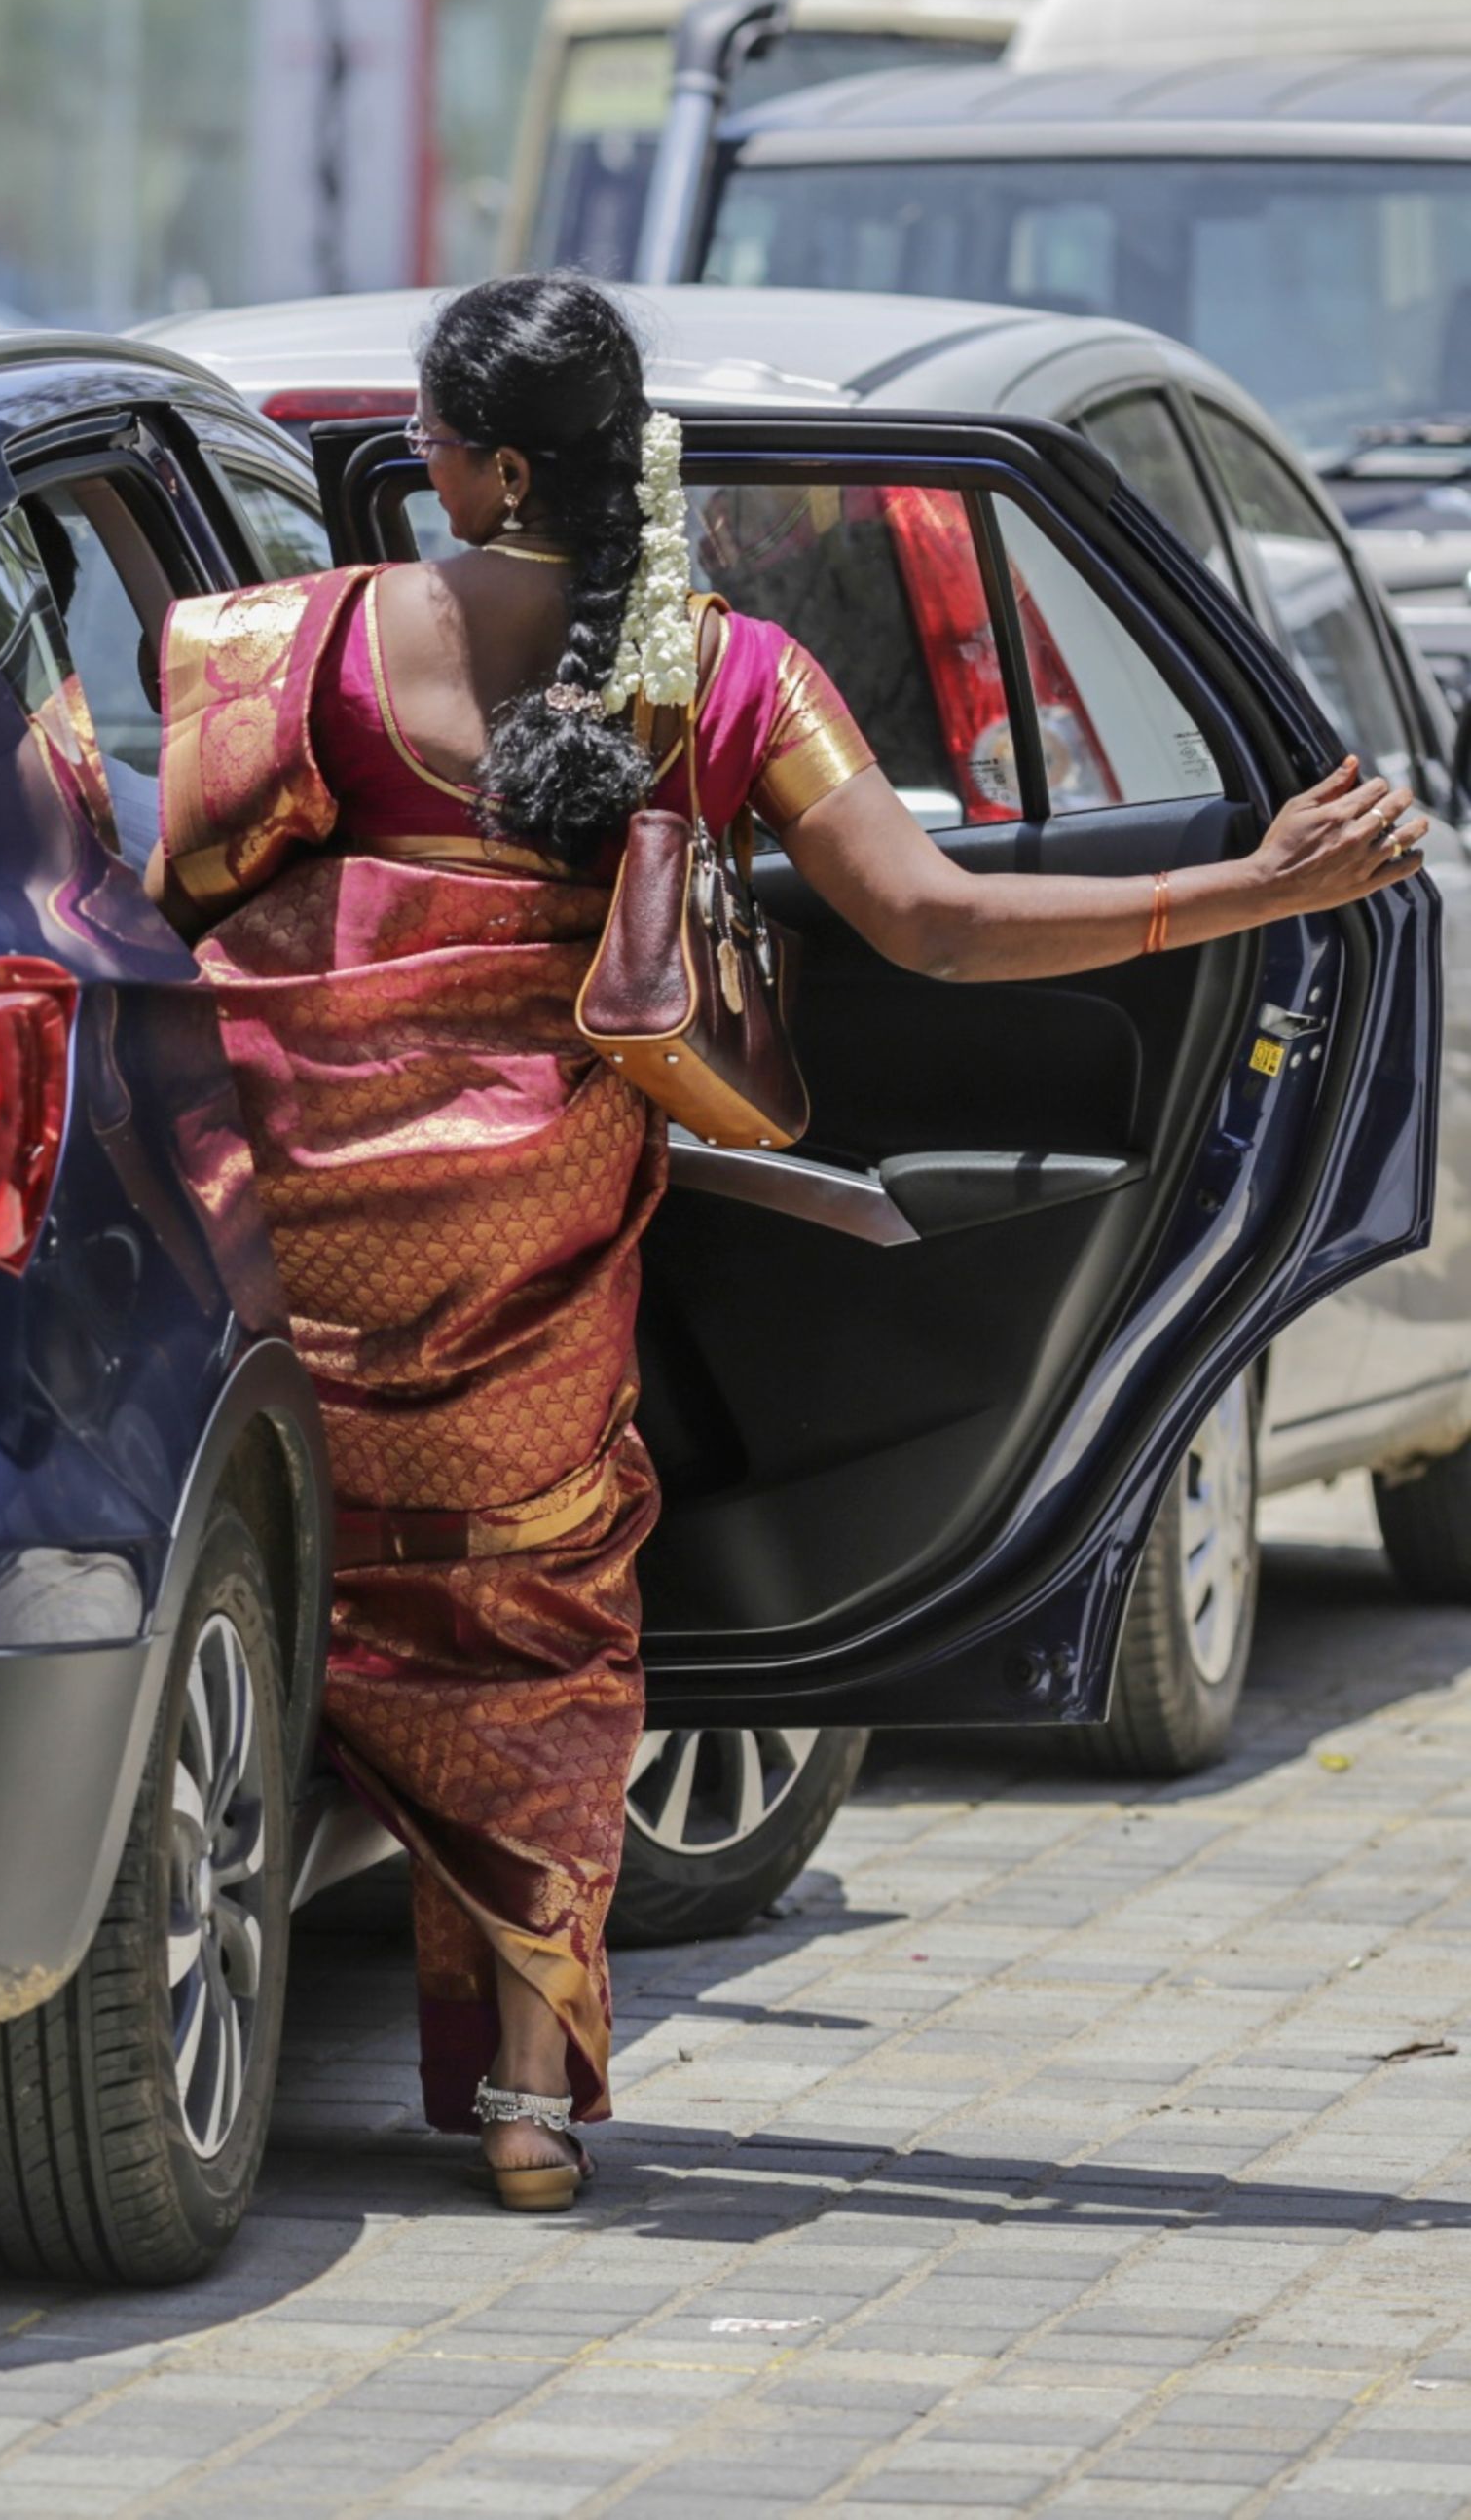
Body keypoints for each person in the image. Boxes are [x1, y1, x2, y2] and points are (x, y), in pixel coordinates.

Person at [149, 274, 1426, 2210]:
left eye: (424, 435)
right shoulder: (734, 678)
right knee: (540, 1614)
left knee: (268, 1568)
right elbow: (933, 925)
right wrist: (1238, 886)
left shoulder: (296, 642)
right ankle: (522, 2101)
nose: (412, 460)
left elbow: (172, 893)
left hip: (297, 1220)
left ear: (482, 465)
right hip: (529, 1236)